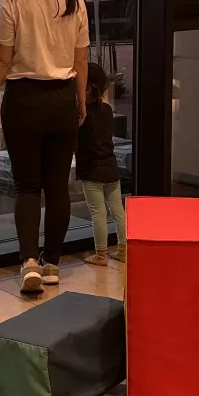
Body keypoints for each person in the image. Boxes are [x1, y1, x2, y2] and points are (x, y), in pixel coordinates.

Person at [0, 0, 88, 296]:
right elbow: (81, 59)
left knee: (27, 187)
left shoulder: (13, 0)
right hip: (62, 100)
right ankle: (53, 262)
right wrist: (81, 101)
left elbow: (3, 60)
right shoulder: (75, 1)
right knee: (57, 188)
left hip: (24, 100)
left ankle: (29, 264)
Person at [76, 61, 126, 265]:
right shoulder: (106, 109)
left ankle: (101, 254)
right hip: (110, 166)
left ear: (86, 88)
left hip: (91, 170)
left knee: (97, 212)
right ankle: (123, 249)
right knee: (117, 211)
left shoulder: (81, 115)